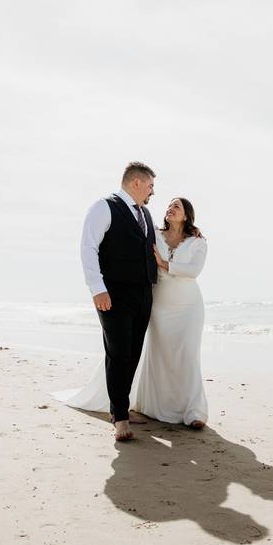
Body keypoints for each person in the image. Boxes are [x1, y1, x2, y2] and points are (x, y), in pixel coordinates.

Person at [54, 195, 210, 432]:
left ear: (187, 214)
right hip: (159, 305)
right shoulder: (154, 234)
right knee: (159, 355)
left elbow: (194, 270)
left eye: (176, 206)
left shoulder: (198, 241)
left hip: (189, 307)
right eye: (168, 206)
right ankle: (155, 405)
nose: (170, 208)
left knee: (187, 354)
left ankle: (194, 410)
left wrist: (165, 264)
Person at [64, 162, 158, 441]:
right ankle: (120, 417)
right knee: (118, 353)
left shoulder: (145, 213)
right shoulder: (104, 207)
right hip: (113, 293)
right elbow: (88, 247)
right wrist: (97, 288)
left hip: (143, 293)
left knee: (133, 353)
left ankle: (120, 407)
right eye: (151, 185)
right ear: (137, 183)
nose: (153, 191)